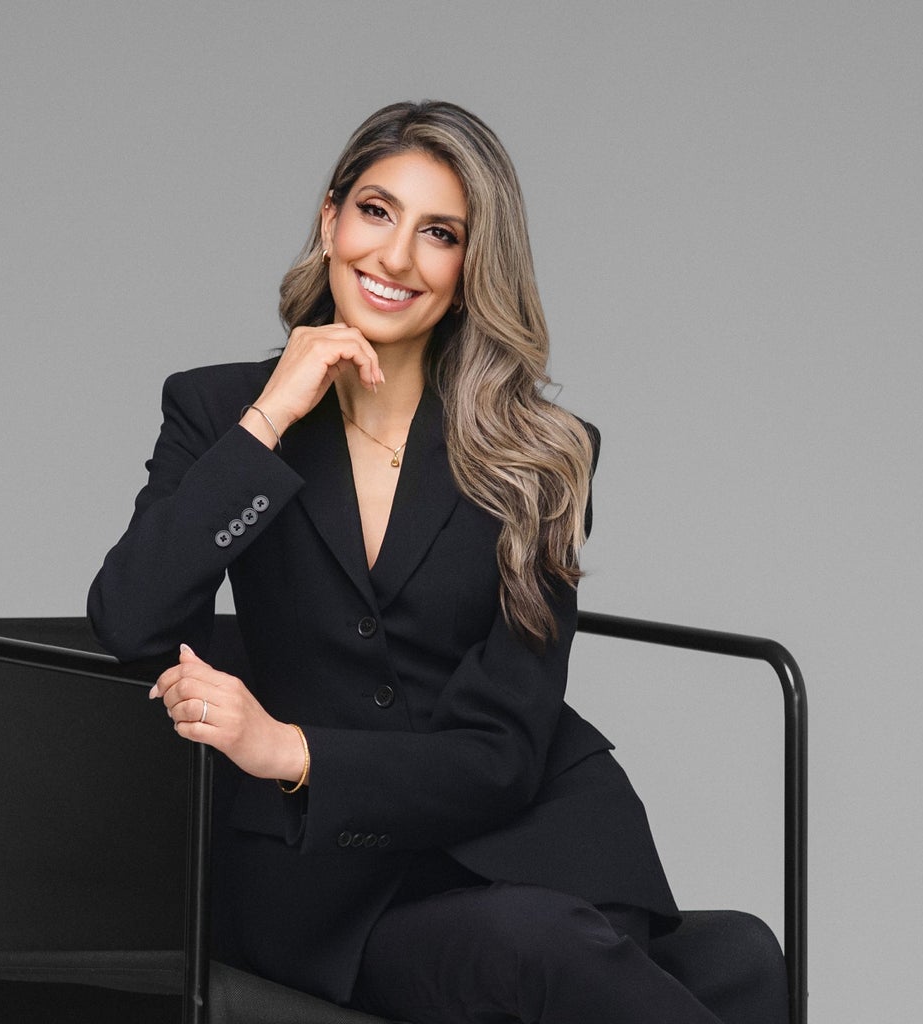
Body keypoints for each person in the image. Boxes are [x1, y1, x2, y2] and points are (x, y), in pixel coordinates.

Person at [89, 100, 787, 1024]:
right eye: (376, 212)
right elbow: (131, 617)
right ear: (331, 219)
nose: (395, 257)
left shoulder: (538, 453)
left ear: (470, 269)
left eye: (440, 233)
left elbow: (504, 752)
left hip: (531, 836)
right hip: (328, 884)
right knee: (539, 950)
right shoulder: (220, 412)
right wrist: (271, 419)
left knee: (742, 957)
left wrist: (292, 750)